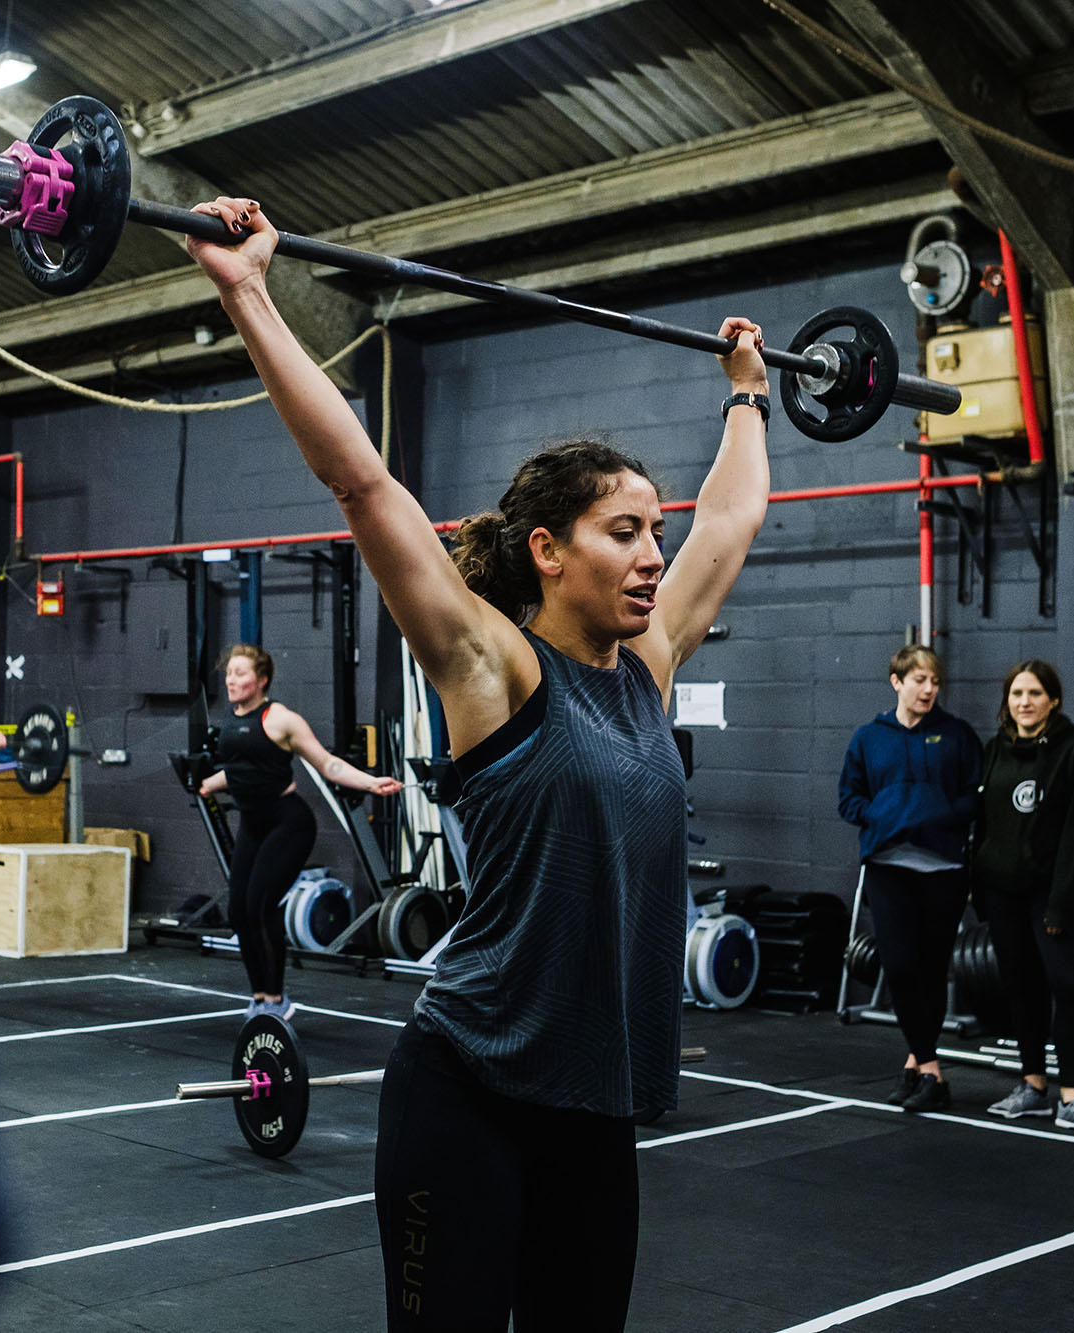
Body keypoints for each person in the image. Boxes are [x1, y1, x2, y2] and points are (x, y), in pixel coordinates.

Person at [186, 196, 769, 1331]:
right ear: (545, 549)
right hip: (467, 1088)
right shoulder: (489, 668)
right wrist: (247, 291)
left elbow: (734, 522)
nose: (654, 554)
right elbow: (363, 485)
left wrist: (745, 392)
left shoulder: (643, 665)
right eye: (624, 532)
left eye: (656, 530)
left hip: (590, 1106)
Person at [197, 644, 403, 1019]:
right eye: (229, 673)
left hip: (287, 823)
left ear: (261, 680)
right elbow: (244, 768)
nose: (231, 679)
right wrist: (210, 782)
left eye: (240, 673)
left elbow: (328, 764)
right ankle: (259, 995)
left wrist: (370, 784)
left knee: (260, 904)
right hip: (253, 824)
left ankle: (277, 1001)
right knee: (239, 911)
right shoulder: (230, 718)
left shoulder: (281, 720)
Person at [971, 661, 1074, 1136]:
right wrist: (978, 886)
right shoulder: (994, 750)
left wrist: (1059, 900)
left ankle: (1072, 1096)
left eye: (1035, 693)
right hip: (1001, 893)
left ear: (1053, 700)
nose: (1025, 702)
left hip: (1049, 896)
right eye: (1017, 693)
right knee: (1021, 988)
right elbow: (983, 824)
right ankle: (1033, 1087)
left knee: (1068, 986)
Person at [838, 644, 983, 1114]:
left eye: (935, 682)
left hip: (943, 869)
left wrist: (938, 817)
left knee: (930, 970)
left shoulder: (957, 735)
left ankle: (916, 1067)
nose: (929, 689)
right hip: (889, 866)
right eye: (919, 680)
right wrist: (882, 816)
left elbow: (973, 797)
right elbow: (849, 799)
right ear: (896, 682)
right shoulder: (868, 738)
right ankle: (930, 1068)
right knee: (899, 966)